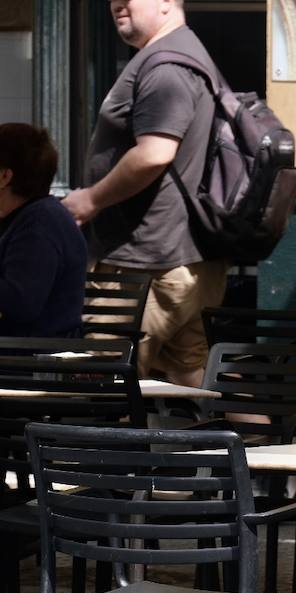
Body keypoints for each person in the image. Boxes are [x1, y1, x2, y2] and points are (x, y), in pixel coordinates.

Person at [64, 0, 226, 386]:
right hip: (177, 262)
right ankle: (263, 444)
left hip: (146, 266)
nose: (117, 3)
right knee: (194, 379)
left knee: (103, 384)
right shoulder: (174, 56)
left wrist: (90, 199)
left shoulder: (167, 67)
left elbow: (155, 153)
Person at [0, 124, 86, 337]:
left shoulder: (39, 224)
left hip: (29, 360)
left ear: (4, 176)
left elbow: (20, 303)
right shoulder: (23, 217)